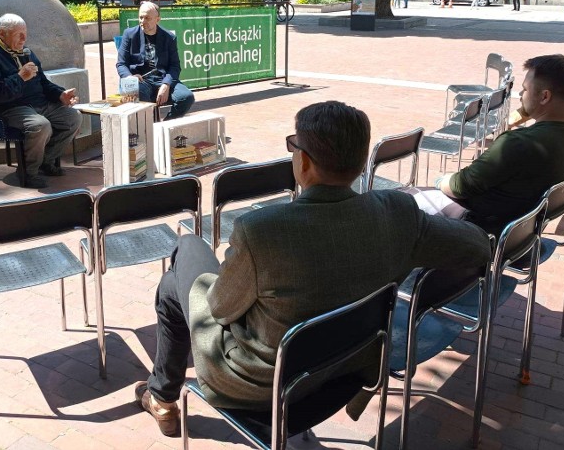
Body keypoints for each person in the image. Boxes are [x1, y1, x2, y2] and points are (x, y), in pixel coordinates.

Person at [134, 101, 491, 436]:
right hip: (347, 365)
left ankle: (163, 396)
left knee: (179, 266)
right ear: (360, 159)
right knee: (194, 264)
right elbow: (477, 246)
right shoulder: (397, 213)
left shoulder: (263, 231)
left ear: (303, 162)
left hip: (263, 385)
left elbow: (219, 308)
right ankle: (163, 395)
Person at [430, 55, 564, 236]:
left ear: (544, 96)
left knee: (400, 203)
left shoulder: (517, 142)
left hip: (481, 229)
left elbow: (460, 186)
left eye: (525, 89)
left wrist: (439, 180)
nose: (520, 95)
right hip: (521, 235)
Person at [0, 13, 82, 188]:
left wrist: (60, 95)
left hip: (38, 103)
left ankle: (46, 161)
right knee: (40, 125)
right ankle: (28, 173)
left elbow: (43, 82)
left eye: (25, 33)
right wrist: (19, 77)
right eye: (19, 34)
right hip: (10, 107)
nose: (24, 38)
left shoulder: (25, 51)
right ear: (2, 33)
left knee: (73, 118)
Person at [117, 1, 195, 119]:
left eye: (147, 18)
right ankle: (151, 129)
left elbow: (175, 66)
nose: (143, 21)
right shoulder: (129, 34)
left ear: (157, 19)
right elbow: (121, 64)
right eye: (141, 17)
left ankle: (167, 125)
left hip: (161, 78)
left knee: (186, 97)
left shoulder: (169, 37)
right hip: (139, 80)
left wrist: (166, 83)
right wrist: (129, 77)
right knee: (136, 93)